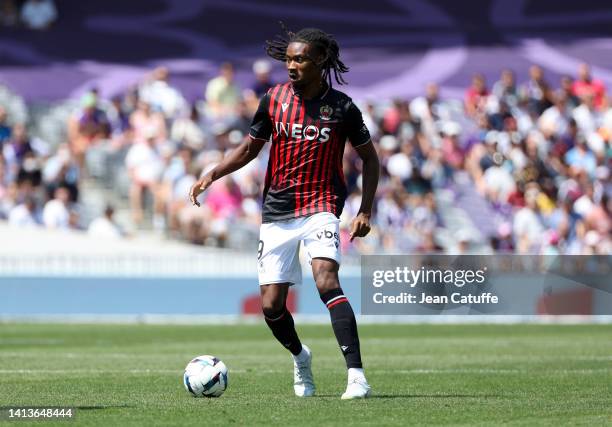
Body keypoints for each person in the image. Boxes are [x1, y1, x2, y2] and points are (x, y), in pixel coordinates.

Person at [189, 27, 380, 399]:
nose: (291, 65)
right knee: (272, 306)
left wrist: (365, 210)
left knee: (327, 281)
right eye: (288, 59)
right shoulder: (273, 99)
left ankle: (356, 376)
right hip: (277, 210)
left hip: (322, 205)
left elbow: (370, 159)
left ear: (320, 61)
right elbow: (249, 149)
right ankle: (300, 356)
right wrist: (212, 173)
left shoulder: (342, 107)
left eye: (299, 59)